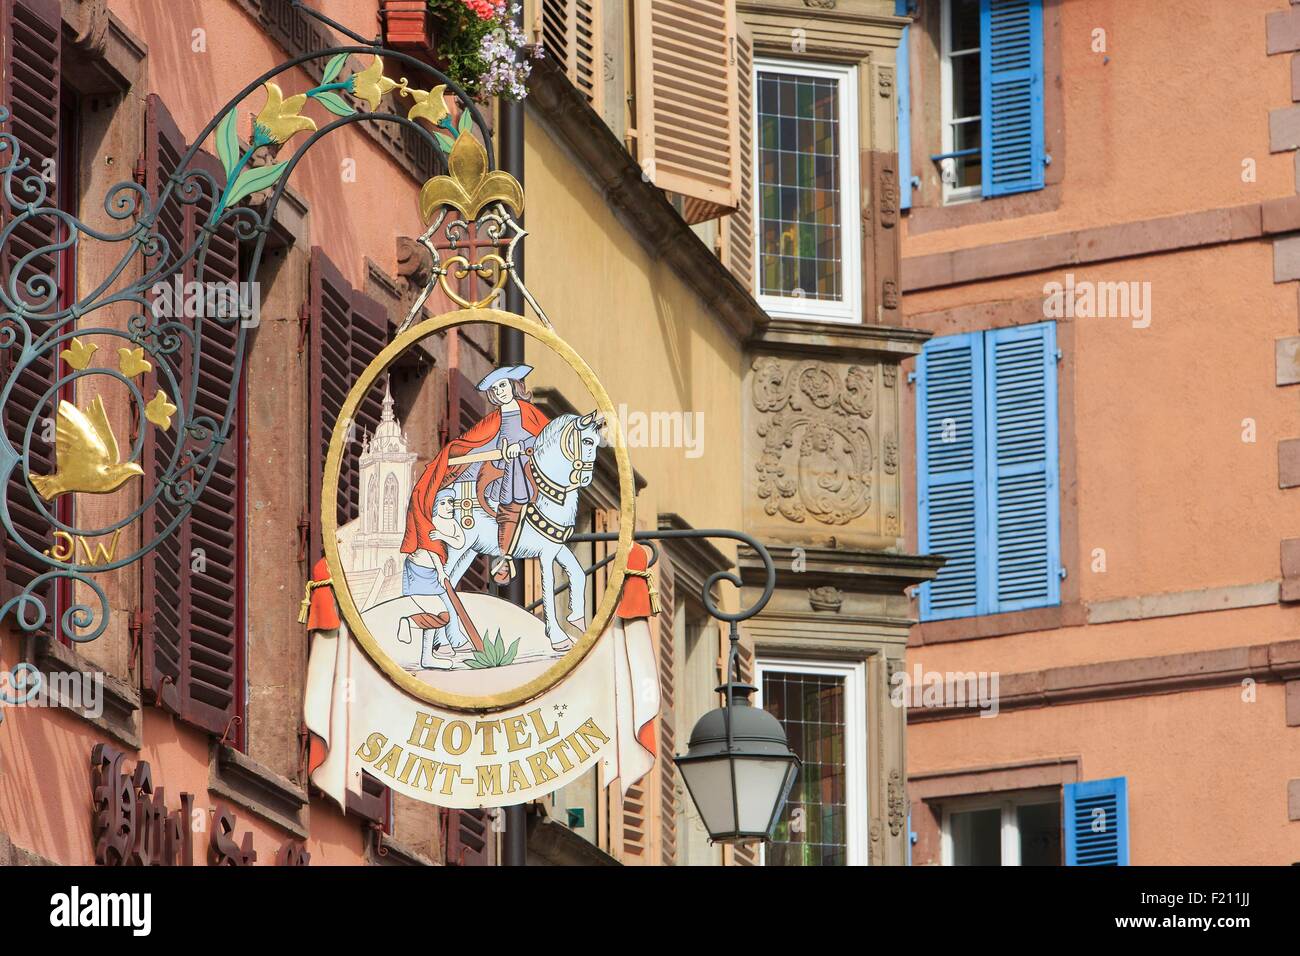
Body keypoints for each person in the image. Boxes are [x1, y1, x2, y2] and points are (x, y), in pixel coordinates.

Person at [400, 365, 550, 584]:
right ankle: (502, 554)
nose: (499, 391)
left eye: (503, 386)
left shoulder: (530, 413)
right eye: (495, 388)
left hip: (526, 469)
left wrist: (523, 446)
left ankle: (508, 552)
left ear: (514, 386)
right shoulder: (493, 419)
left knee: (518, 493)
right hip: (499, 469)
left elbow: (545, 439)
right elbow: (473, 442)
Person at [400, 489, 469, 668]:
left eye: (450, 502)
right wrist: (440, 571)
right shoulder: (431, 523)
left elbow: (459, 542)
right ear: (435, 507)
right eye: (443, 503)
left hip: (430, 573)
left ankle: (426, 657)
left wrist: (442, 536)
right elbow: (432, 551)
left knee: (440, 615)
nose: (448, 507)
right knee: (440, 614)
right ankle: (409, 623)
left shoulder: (451, 523)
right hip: (418, 571)